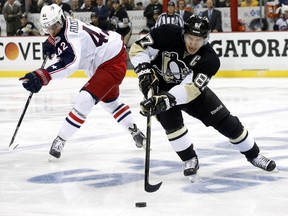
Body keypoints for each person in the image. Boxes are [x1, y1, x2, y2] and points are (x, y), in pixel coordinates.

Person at [129, 14, 277, 179]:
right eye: (190, 37)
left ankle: (254, 155)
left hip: (191, 92)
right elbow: (137, 48)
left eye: (198, 40)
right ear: (183, 33)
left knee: (226, 122)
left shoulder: (210, 59)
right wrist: (144, 71)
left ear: (206, 40)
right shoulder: (165, 33)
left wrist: (165, 100)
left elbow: (191, 88)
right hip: (160, 86)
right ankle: (189, 159)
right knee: (171, 125)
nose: (193, 43)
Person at [19, 4, 146, 160]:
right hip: (105, 59)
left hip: (111, 61)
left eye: (54, 26)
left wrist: (43, 75)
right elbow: (60, 35)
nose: (52, 30)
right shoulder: (65, 22)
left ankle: (60, 140)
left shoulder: (72, 37)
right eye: (48, 28)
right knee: (110, 102)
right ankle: (135, 132)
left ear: (60, 19)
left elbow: (70, 64)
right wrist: (52, 41)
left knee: (84, 99)